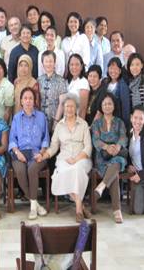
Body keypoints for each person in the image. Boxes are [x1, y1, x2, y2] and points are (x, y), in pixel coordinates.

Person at [41, 94, 93, 222]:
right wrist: (44, 155)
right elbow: (53, 147)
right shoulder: (59, 126)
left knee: (77, 170)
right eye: (67, 106)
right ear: (63, 108)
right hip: (64, 158)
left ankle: (78, 211)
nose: (69, 109)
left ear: (76, 108)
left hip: (81, 158)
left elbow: (88, 148)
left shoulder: (83, 124)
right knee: (62, 173)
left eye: (72, 106)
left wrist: (76, 159)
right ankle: (80, 205)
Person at [9, 87, 50, 220]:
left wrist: (42, 153)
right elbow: (12, 139)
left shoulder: (41, 116)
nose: (28, 101)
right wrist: (17, 151)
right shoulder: (16, 118)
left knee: (32, 169)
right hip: (20, 152)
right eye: (25, 98)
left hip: (37, 152)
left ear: (34, 101)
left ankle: (33, 208)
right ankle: (36, 204)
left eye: (30, 98)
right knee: (20, 171)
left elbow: (45, 138)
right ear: (21, 101)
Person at [91, 93, 128, 224]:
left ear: (114, 106)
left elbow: (123, 137)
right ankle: (117, 210)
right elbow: (95, 140)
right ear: (101, 106)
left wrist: (117, 146)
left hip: (117, 154)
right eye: (105, 104)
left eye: (109, 104)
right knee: (114, 174)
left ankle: (101, 186)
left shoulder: (119, 122)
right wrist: (107, 147)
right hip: (102, 156)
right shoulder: (96, 123)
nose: (107, 106)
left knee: (117, 162)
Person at [37, 51, 68, 131]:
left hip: (55, 120)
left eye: (51, 61)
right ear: (42, 63)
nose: (48, 64)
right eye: (46, 61)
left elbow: (62, 102)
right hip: (40, 120)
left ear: (54, 63)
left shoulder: (61, 80)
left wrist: (56, 121)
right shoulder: (39, 80)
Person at [103, 57, 131, 128]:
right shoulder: (105, 82)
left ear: (120, 71)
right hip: (105, 121)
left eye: (116, 69)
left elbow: (125, 108)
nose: (113, 71)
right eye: (111, 68)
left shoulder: (122, 85)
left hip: (117, 123)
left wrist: (125, 127)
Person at [65, 54, 90, 119]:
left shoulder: (83, 82)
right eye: (71, 64)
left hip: (76, 120)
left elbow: (83, 109)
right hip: (65, 120)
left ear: (81, 66)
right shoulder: (67, 81)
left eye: (77, 64)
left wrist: (80, 126)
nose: (74, 67)